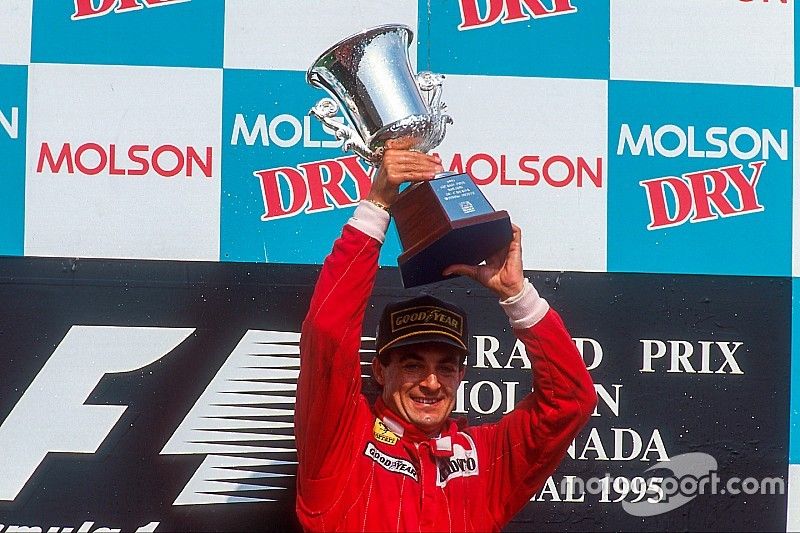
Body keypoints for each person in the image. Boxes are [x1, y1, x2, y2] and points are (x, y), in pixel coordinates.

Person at [295, 147, 596, 532]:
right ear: (380, 371)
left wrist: (517, 295)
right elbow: (328, 333)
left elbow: (570, 402)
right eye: (413, 365)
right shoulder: (342, 442)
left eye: (446, 367)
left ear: (461, 375)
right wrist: (376, 207)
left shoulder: (485, 459)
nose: (432, 383)